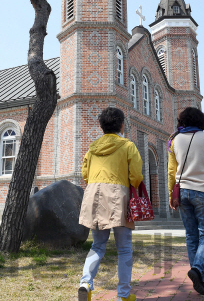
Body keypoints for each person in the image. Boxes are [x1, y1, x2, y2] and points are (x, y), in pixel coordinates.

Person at [78, 107, 143, 301]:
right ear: (121, 124)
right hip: (118, 196)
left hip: (94, 195)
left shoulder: (93, 147)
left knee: (98, 245)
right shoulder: (128, 145)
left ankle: (85, 283)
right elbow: (137, 176)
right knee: (124, 248)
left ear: (102, 126)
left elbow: (85, 174)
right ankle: (123, 295)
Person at [167, 107, 204, 295]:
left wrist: (170, 195)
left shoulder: (174, 140)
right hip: (202, 191)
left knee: (191, 236)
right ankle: (198, 270)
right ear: (201, 121)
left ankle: (199, 275)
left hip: (182, 192)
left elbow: (171, 171)